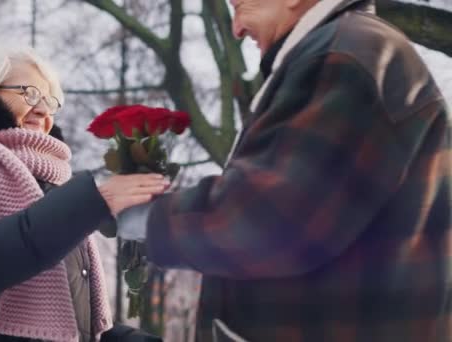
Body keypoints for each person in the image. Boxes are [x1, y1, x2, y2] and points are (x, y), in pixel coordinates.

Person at [117, 0, 452, 341]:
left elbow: (268, 219)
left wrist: (138, 215)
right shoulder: (347, 50)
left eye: (241, 5)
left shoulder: (347, 55)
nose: (236, 30)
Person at [0, 43, 168, 342]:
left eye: (51, 100)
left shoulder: (48, 185)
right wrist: (93, 203)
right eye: (29, 93)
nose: (43, 109)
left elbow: (72, 324)